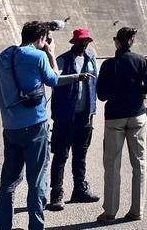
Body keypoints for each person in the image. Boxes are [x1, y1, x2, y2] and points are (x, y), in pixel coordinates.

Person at [0, 21, 91, 230]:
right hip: (35, 128)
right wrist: (50, 52)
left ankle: (3, 227)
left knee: (9, 182)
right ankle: (36, 227)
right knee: (37, 181)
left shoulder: (4, 56)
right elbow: (54, 79)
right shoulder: (38, 56)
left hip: (10, 127)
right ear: (41, 39)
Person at [96, 27, 147, 222]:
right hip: (137, 116)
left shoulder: (108, 65)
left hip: (115, 118)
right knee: (139, 163)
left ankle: (110, 211)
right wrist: (136, 90)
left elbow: (102, 95)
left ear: (116, 41)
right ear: (131, 41)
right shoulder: (141, 61)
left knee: (112, 164)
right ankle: (137, 211)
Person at [47, 28, 100, 211]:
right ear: (73, 42)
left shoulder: (91, 58)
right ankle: (56, 194)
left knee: (81, 155)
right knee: (61, 155)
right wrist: (76, 78)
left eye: (86, 41)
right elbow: (54, 79)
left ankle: (79, 189)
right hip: (65, 116)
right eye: (80, 41)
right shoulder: (63, 59)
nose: (83, 44)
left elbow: (96, 83)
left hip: (85, 115)